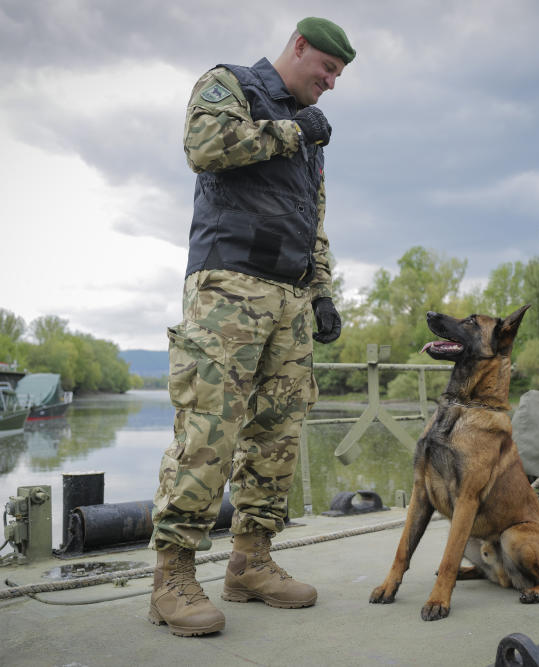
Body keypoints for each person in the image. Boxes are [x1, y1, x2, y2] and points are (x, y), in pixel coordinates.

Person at [147, 17, 355, 637]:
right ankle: (173, 577)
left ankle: (250, 560)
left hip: (290, 299)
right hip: (228, 288)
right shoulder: (230, 85)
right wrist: (292, 132)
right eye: (328, 68)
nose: (332, 83)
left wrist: (321, 292)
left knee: (277, 435)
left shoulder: (310, 141)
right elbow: (204, 147)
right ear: (299, 47)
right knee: (209, 428)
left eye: (340, 75)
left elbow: (313, 222)